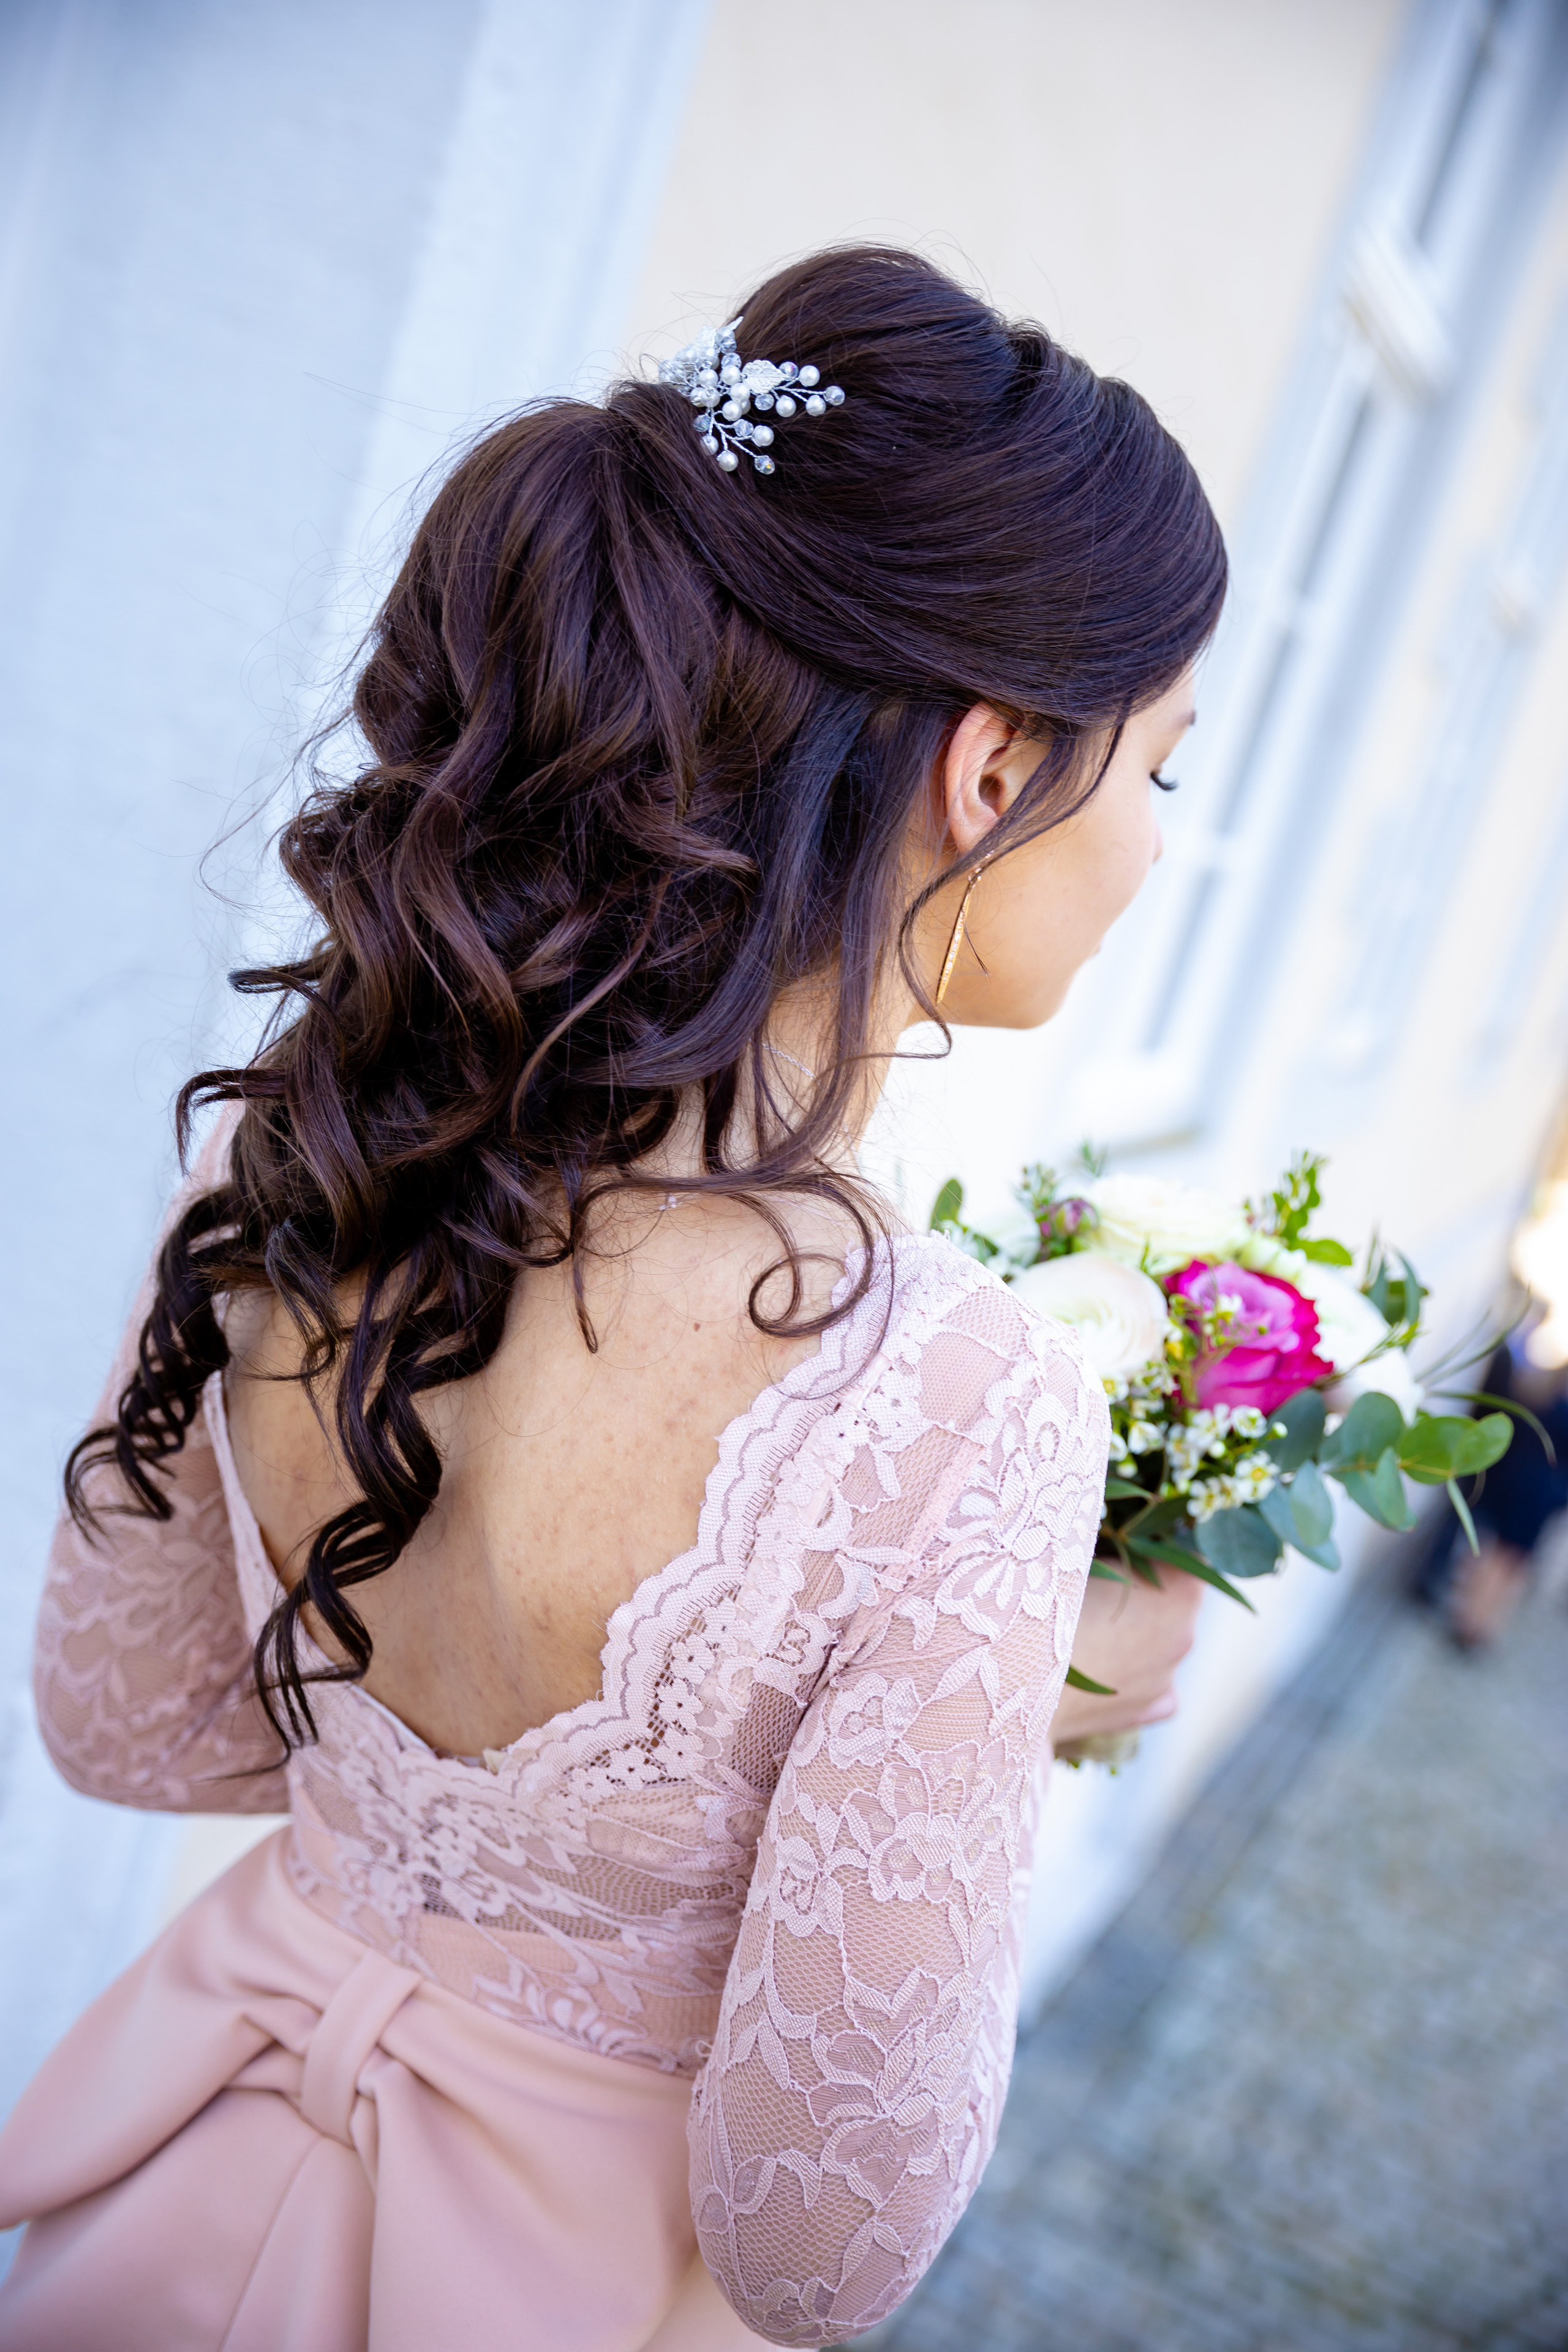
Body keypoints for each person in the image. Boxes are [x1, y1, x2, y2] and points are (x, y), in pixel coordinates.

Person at [0, 246, 1225, 2350]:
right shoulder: (953, 1401)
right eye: (1166, 773)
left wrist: (427, 1861)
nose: (1158, 852)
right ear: (995, 767)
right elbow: (818, 2232)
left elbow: (136, 1723)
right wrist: (1001, 1721)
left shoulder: (297, 1157)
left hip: (154, 2221)